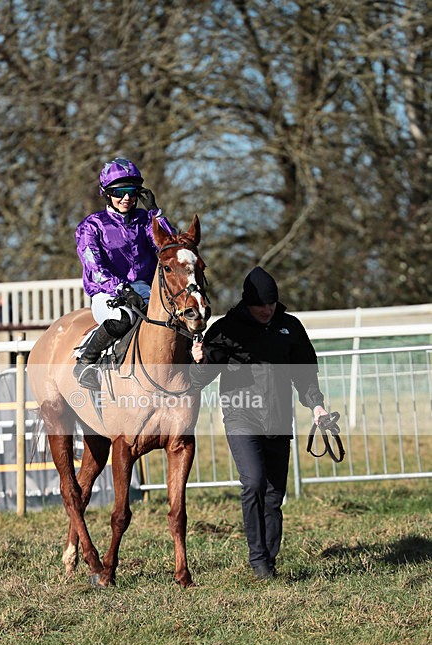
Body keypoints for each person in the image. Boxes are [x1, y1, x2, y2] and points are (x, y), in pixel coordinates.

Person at [190, 266, 334, 581]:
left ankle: (269, 559)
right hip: (241, 416)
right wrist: (198, 360)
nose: (266, 310)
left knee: (274, 494)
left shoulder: (289, 326)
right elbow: (200, 379)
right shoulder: (226, 329)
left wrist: (318, 407)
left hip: (279, 418)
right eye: (260, 305)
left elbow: (305, 373)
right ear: (247, 302)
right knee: (254, 482)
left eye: (271, 304)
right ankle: (257, 559)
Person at [74, 157, 176, 390]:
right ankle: (86, 362)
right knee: (123, 319)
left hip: (146, 289)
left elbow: (170, 248)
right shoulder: (91, 226)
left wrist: (156, 213)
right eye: (120, 192)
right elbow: (95, 269)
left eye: (132, 191)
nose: (127, 198)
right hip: (108, 293)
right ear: (107, 193)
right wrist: (122, 288)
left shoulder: (145, 220)